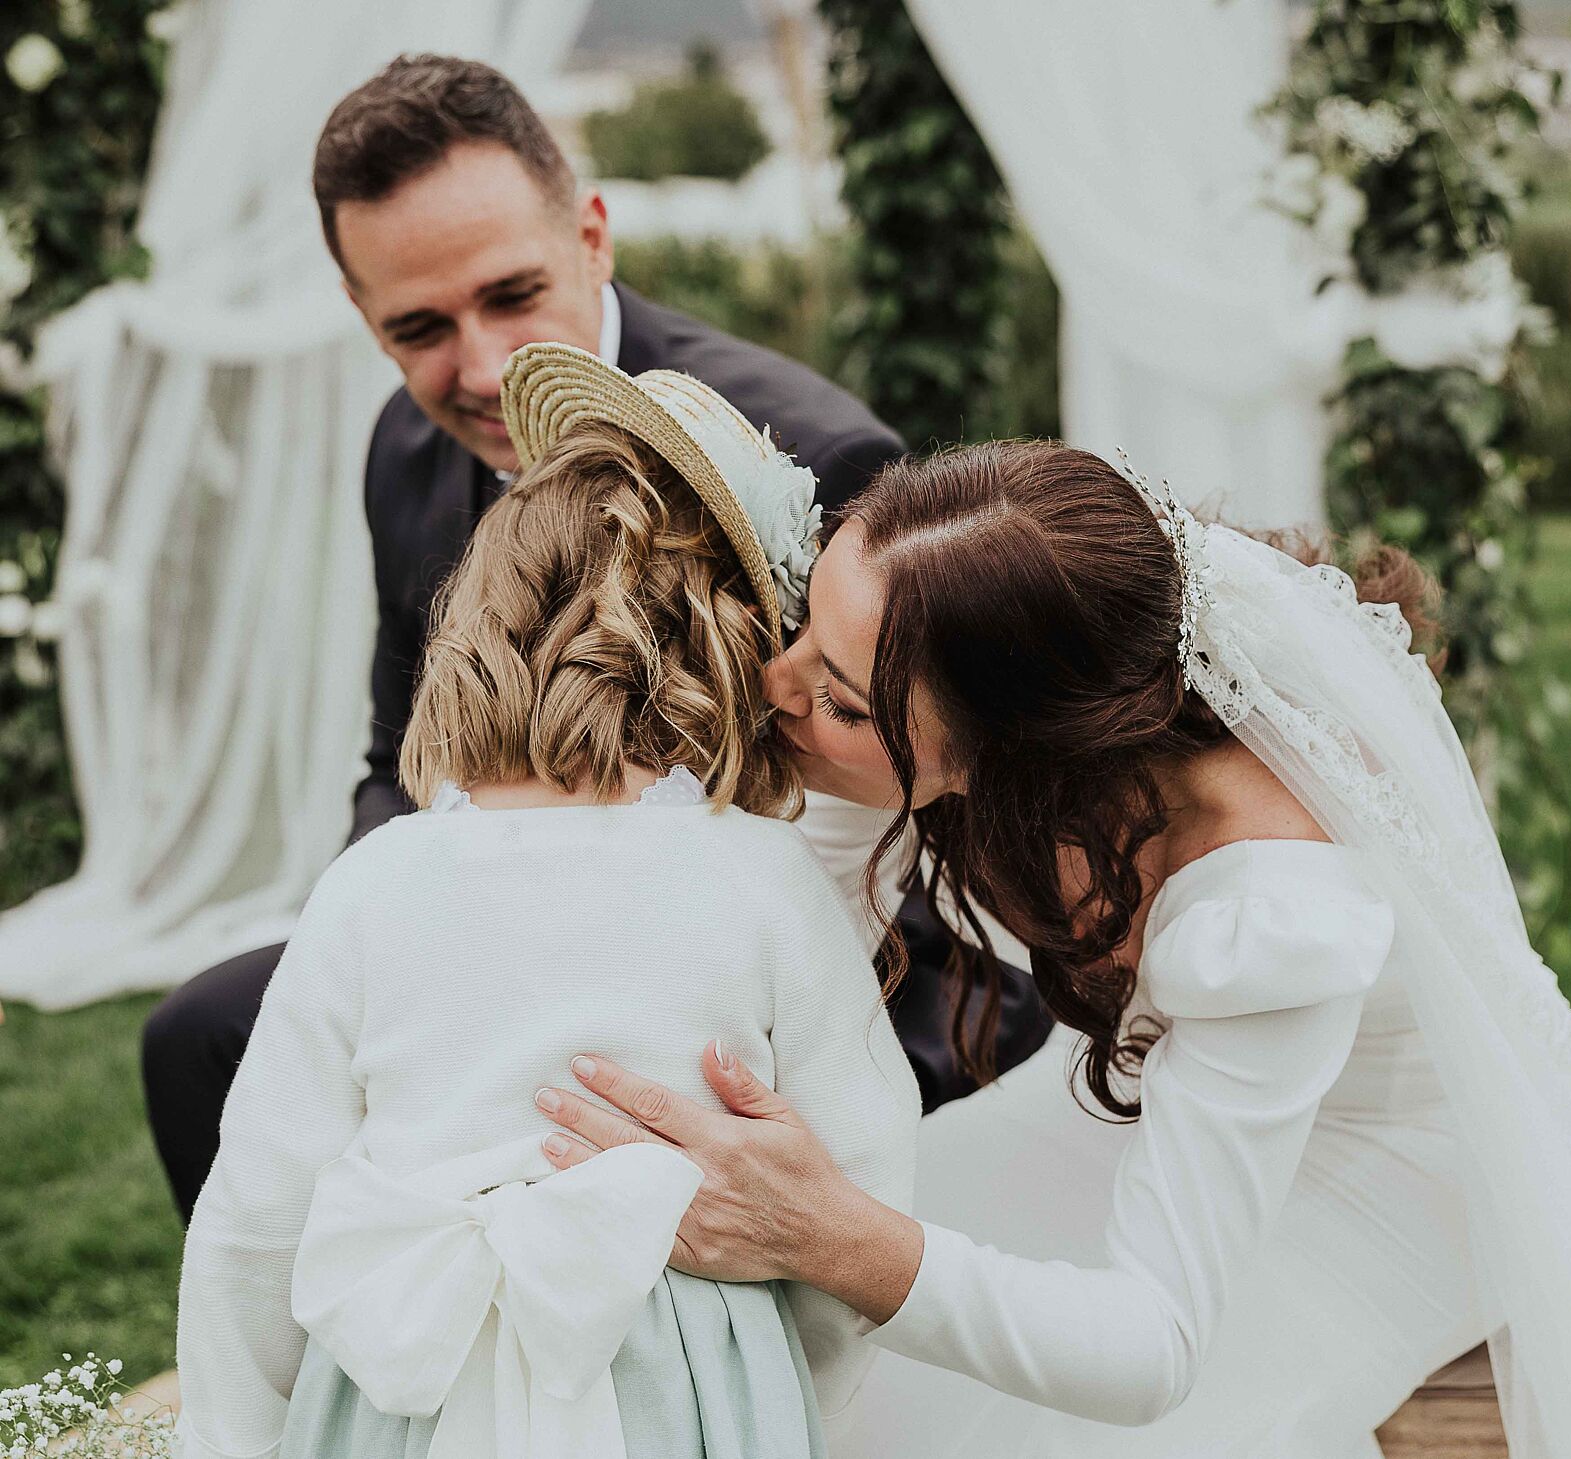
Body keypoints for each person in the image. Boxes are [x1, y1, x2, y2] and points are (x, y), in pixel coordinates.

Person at [534, 440, 1571, 1459]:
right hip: (1124, 1109)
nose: (774, 685)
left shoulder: (1266, 904)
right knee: (794, 1319)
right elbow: (771, 949)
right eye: (806, 633)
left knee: (1018, 1418)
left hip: (1389, 1171)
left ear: (1027, 758)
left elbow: (1149, 1346)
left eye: (845, 701)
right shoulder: (937, 633)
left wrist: (830, 1234)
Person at [140, 53, 1045, 1224]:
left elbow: (898, 815)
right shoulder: (402, 457)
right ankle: (336, 1381)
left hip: (793, 963)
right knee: (200, 1037)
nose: (480, 367)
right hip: (502, 916)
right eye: (417, 327)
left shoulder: (810, 461)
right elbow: (394, 755)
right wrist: (390, 929)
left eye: (511, 295)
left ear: (593, 237)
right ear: (364, 319)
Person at [173, 355, 919, 1459]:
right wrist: (795, 1388)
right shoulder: (764, 880)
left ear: (475, 623)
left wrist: (231, 1438)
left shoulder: (376, 881)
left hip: (403, 1388)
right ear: (727, 647)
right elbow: (858, 1176)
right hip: (694, 1393)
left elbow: (255, 1218)